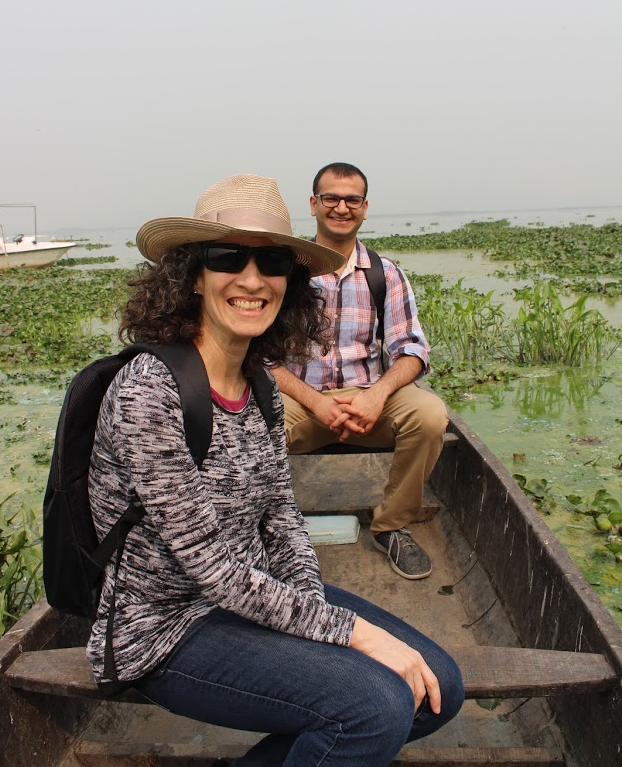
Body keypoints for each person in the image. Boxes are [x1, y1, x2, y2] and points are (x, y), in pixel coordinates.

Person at [87, 173, 463, 767]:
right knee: (378, 707)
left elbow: (281, 514)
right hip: (170, 626)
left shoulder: (260, 382)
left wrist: (312, 613)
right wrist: (349, 634)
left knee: (440, 689)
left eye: (271, 263)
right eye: (227, 257)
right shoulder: (150, 392)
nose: (252, 279)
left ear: (290, 284)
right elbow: (209, 568)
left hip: (258, 595)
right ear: (191, 275)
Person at [271, 162, 448, 581]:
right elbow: (261, 358)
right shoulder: (285, 272)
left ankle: (391, 525)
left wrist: (376, 395)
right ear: (313, 204)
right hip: (302, 402)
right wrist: (315, 403)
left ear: (365, 208)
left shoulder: (385, 273)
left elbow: (412, 350)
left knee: (429, 416)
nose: (341, 208)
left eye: (352, 200)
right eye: (330, 198)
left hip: (370, 400)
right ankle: (270, 528)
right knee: (247, 425)